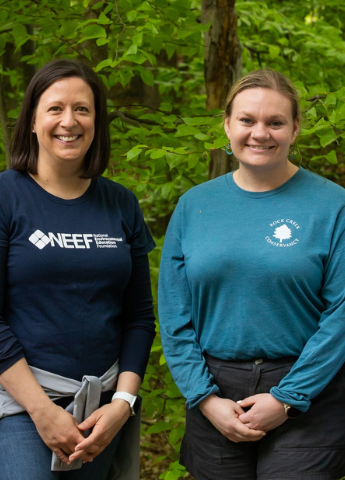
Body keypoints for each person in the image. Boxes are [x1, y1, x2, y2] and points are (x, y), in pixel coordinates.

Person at [0, 59, 156, 480]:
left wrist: (122, 404)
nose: (69, 121)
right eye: (55, 108)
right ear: (33, 121)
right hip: (19, 407)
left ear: (97, 122)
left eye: (83, 109)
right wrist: (43, 412)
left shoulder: (121, 204)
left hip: (102, 411)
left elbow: (139, 317)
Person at [158, 68, 345, 480]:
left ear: (295, 129)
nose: (260, 133)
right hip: (215, 388)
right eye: (247, 120)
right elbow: (174, 316)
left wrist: (288, 398)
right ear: (227, 125)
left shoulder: (333, 205)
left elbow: (342, 314)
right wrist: (204, 398)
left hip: (306, 386)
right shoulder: (194, 206)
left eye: (275, 122)